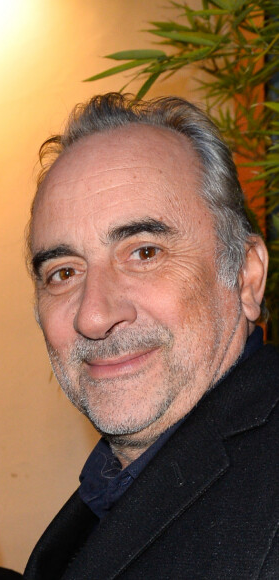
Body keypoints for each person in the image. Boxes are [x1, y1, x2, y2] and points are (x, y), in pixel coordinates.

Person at [24, 93, 279, 579]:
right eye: (63, 272)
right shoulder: (88, 515)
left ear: (246, 276)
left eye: (144, 253)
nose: (94, 316)